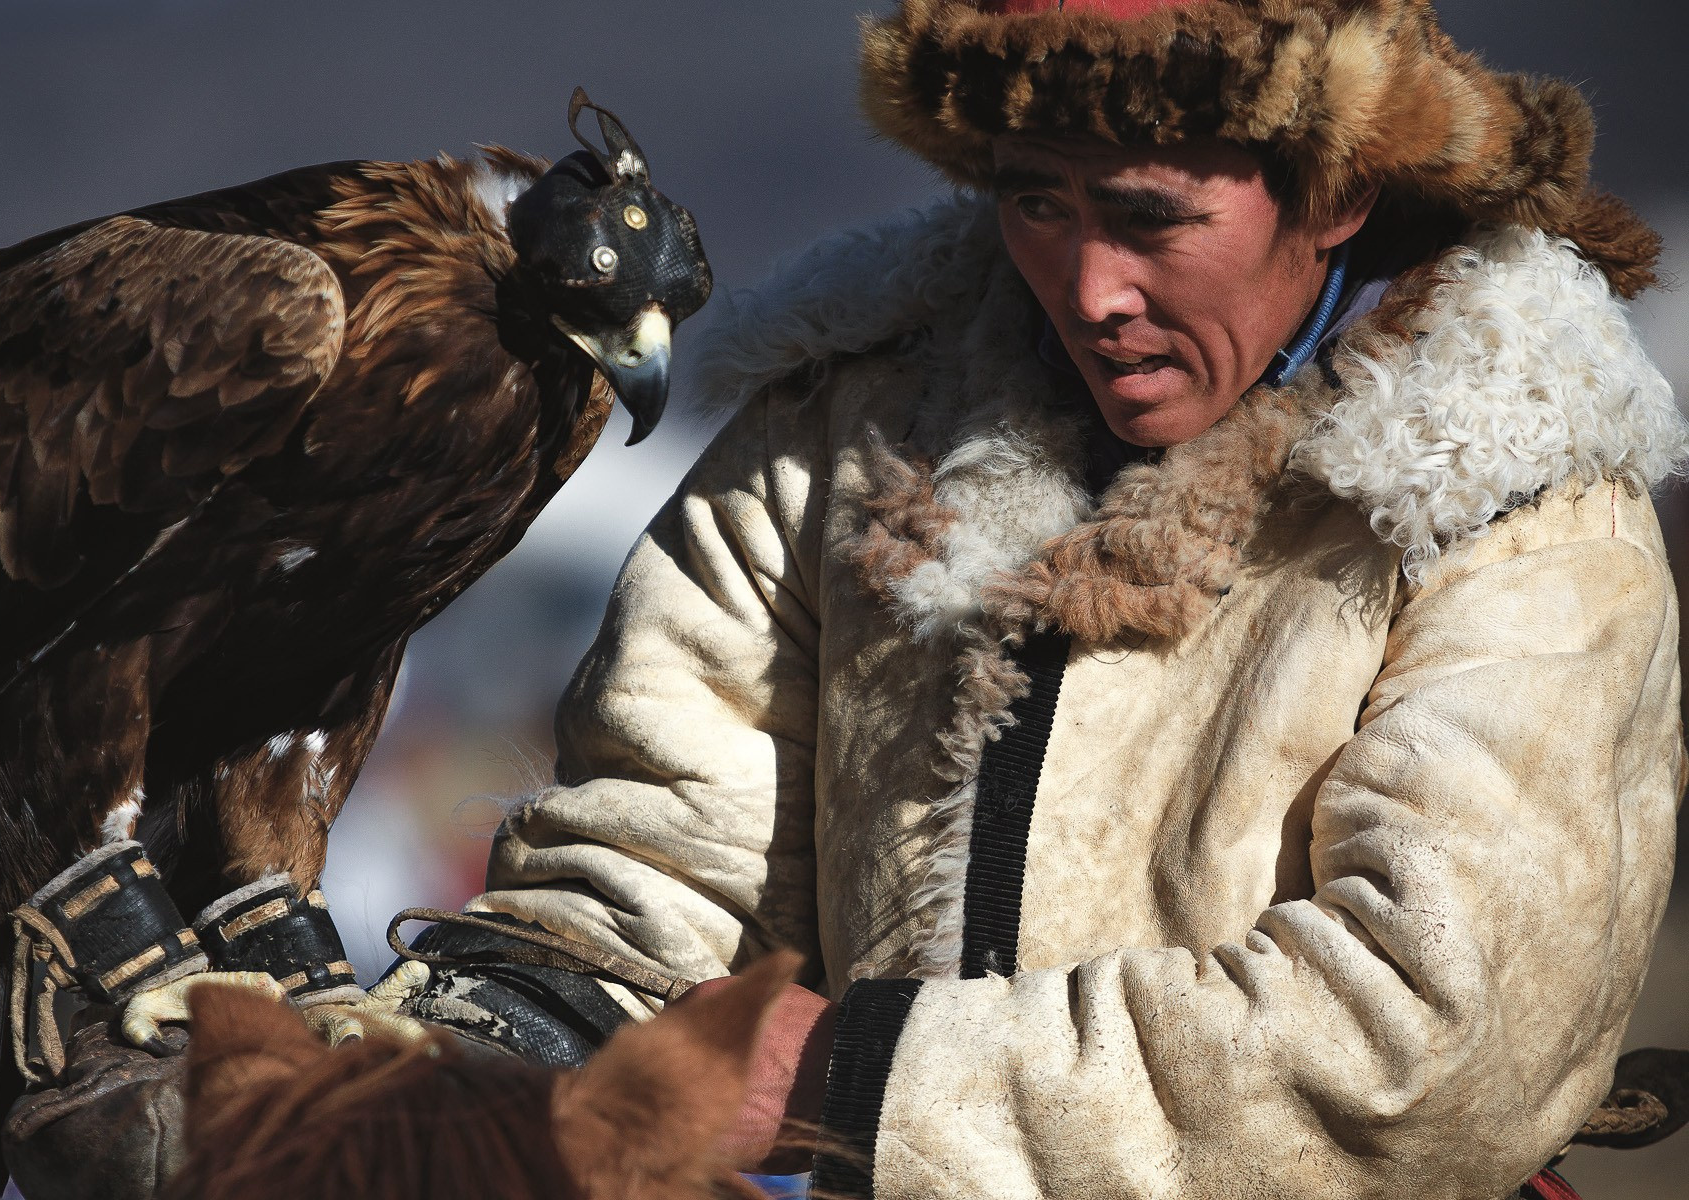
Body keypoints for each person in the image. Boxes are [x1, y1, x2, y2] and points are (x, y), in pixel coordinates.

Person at [446, 2, 1689, 1199]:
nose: (1090, 288)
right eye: (1036, 201)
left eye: (1152, 218)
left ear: (1338, 190)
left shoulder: (1518, 507)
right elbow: (656, 854)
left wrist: (858, 1085)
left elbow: (1423, 1044)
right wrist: (511, 1035)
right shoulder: (848, 422)